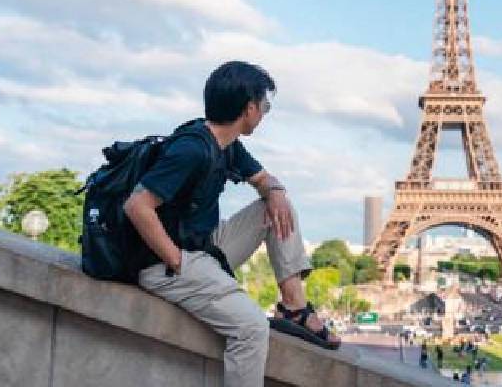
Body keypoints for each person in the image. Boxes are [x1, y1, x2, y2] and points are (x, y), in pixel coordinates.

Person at [123, 61, 340, 387]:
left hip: (204, 245)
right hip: (166, 262)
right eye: (265, 105)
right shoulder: (192, 149)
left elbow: (264, 180)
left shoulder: (227, 144)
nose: (265, 113)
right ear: (249, 108)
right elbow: (137, 205)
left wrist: (276, 190)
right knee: (252, 329)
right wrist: (176, 261)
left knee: (278, 207)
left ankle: (294, 306)